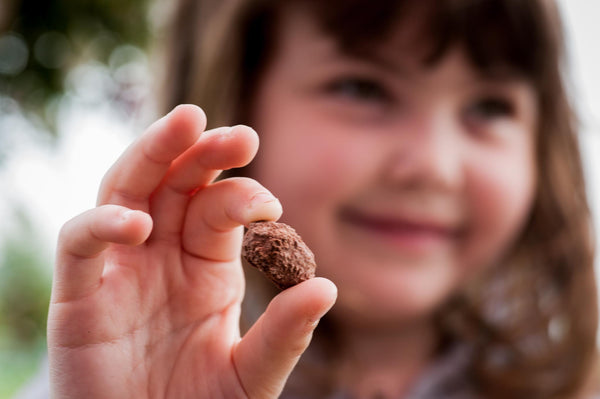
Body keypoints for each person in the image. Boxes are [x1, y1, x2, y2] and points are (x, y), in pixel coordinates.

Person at [47, 0, 599, 398]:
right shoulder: (118, 366)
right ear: (239, 95)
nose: (434, 166)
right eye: (362, 87)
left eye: (489, 107)